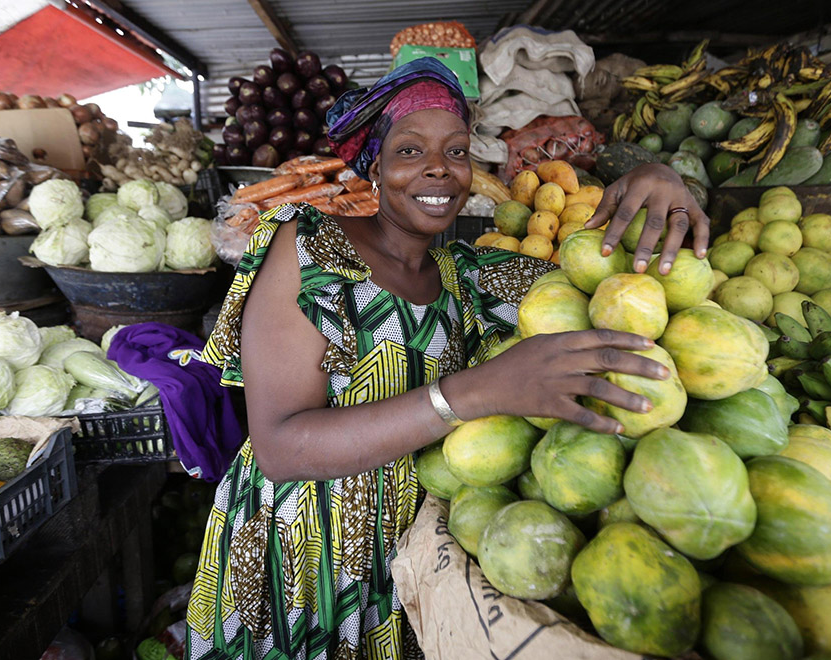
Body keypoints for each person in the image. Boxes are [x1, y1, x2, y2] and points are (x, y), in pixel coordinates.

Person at [185, 57, 710, 660]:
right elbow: (281, 449)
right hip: (302, 559)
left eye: (457, 151)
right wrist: (475, 392)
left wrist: (656, 180)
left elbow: (595, 273)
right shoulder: (308, 250)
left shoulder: (472, 279)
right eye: (410, 151)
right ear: (373, 166)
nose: (439, 167)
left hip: (413, 563)